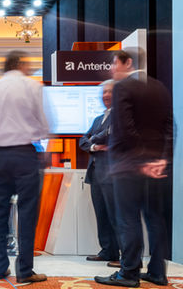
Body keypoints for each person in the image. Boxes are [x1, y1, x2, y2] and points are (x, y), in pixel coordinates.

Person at [95, 50, 172, 288]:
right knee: (155, 219)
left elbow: (124, 128)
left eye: (114, 63)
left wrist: (141, 159)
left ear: (127, 62)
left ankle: (128, 273)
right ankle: (158, 273)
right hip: (156, 168)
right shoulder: (159, 87)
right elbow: (170, 127)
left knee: (128, 220)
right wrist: (161, 159)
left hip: (129, 166)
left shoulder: (123, 87)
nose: (112, 69)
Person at [0, 50, 49, 283]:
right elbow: (45, 124)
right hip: (25, 154)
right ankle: (24, 271)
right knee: (27, 212)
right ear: (19, 63)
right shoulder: (32, 86)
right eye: (27, 63)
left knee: (0, 211)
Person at [79, 80, 120, 266]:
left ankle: (122, 255)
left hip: (112, 173)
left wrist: (93, 139)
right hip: (95, 173)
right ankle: (107, 251)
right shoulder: (98, 119)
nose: (106, 95)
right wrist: (94, 145)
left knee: (115, 215)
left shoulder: (120, 117)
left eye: (109, 92)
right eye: (103, 92)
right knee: (101, 214)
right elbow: (83, 140)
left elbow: (108, 136)